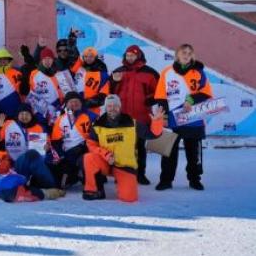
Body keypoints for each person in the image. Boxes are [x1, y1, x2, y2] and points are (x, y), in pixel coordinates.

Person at [82, 95, 164, 202]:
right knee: (89, 158)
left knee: (129, 198)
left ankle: (122, 182)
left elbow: (152, 134)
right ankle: (94, 190)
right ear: (106, 108)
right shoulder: (97, 125)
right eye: (109, 106)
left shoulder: (132, 123)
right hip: (106, 162)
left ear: (120, 107)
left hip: (125, 165)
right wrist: (105, 154)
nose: (112, 108)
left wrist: (157, 122)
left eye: (115, 105)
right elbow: (91, 144)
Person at [154, 44, 213, 191]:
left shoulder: (198, 72)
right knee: (167, 151)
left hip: (193, 118)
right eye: (183, 52)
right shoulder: (166, 72)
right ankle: (165, 180)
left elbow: (206, 93)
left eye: (189, 53)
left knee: (193, 153)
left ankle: (194, 180)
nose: (186, 55)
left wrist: (191, 100)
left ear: (192, 56)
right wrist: (164, 116)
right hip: (171, 118)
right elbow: (161, 97)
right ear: (177, 55)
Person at [109, 45, 159, 185]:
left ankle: (140, 174)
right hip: (122, 117)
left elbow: (158, 92)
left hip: (141, 116)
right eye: (128, 55)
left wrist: (149, 100)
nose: (130, 57)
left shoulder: (150, 73)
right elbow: (109, 92)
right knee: (121, 147)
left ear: (139, 56)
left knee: (140, 147)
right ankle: (121, 174)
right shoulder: (117, 72)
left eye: (133, 55)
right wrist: (113, 82)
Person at [0, 104, 59, 196]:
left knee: (35, 159)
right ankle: (48, 186)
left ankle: (51, 186)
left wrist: (47, 147)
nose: (24, 116)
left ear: (31, 115)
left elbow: (48, 146)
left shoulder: (39, 127)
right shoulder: (9, 124)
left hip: (35, 164)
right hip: (15, 164)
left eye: (27, 114)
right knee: (32, 154)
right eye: (22, 114)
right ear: (17, 115)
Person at [50, 92, 94, 189]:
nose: (74, 104)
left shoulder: (90, 116)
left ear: (81, 103)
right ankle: (74, 175)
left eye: (76, 101)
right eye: (71, 102)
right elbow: (55, 141)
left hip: (84, 150)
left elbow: (96, 136)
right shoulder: (60, 119)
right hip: (66, 153)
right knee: (58, 178)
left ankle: (87, 176)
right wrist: (60, 155)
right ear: (66, 104)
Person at [20, 48, 64, 127]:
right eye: (45, 59)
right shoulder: (34, 74)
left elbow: (66, 92)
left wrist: (61, 107)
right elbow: (31, 95)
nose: (47, 61)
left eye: (49, 58)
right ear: (41, 60)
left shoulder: (59, 73)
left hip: (57, 109)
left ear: (53, 60)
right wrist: (43, 109)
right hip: (41, 111)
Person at [0, 48, 23, 120]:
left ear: (9, 60)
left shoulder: (17, 72)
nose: (3, 61)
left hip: (16, 112)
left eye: (5, 59)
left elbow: (24, 91)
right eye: (0, 60)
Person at [73, 47, 109, 115]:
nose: (88, 58)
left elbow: (103, 96)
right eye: (86, 56)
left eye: (91, 56)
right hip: (76, 108)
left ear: (96, 57)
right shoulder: (80, 68)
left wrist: (84, 103)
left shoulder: (102, 73)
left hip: (92, 111)